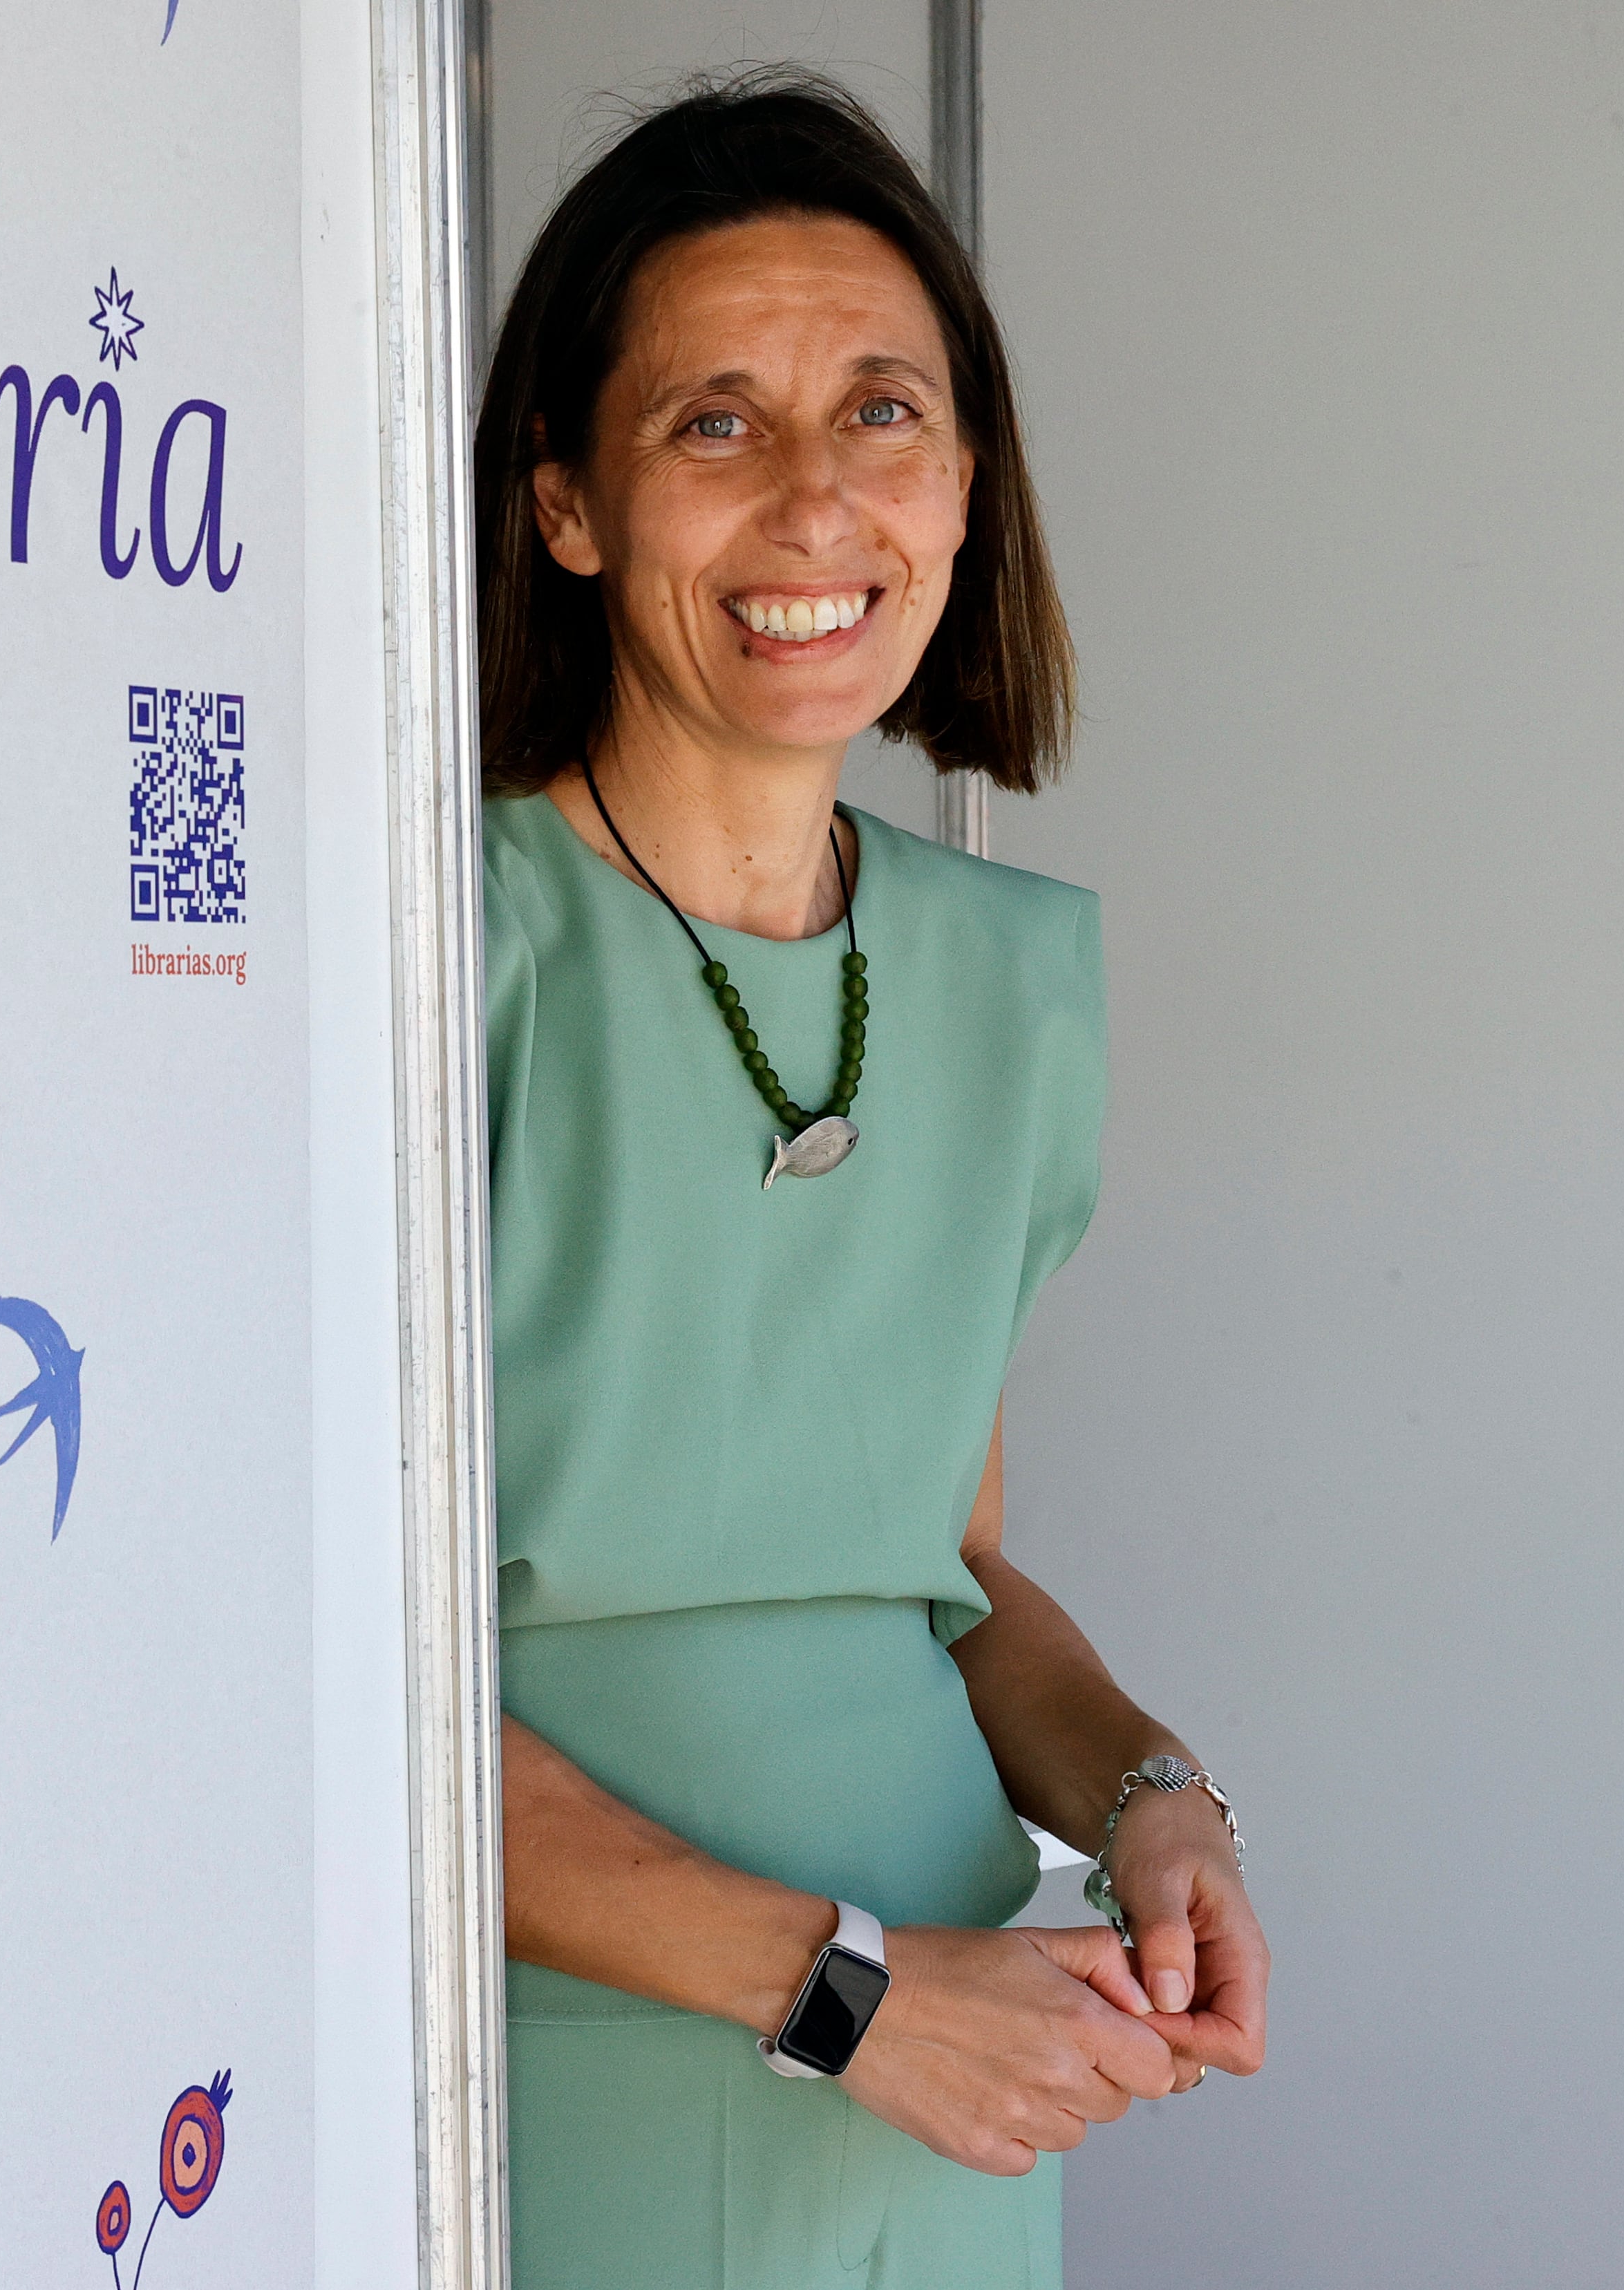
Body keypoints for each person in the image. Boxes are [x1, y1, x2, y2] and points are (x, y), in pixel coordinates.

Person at [478, 75, 1269, 2287]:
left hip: (961, 2078)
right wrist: (842, 1993)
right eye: (714, 423)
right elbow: (337, 1670)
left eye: (884, 414)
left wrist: (1146, 1795)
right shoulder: (420, 967)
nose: (819, 497)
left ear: (965, 482)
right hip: (569, 2066)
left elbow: (946, 1565)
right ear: (565, 501)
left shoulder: (1008, 982)